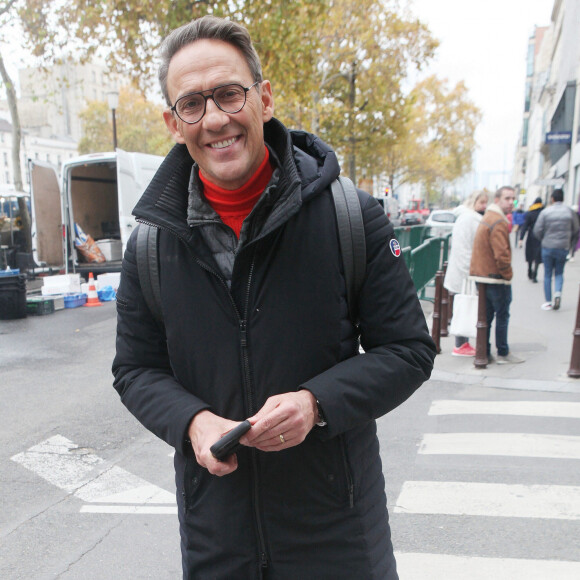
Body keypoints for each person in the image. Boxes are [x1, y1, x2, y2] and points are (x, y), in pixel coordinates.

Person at [112, 16, 436, 580]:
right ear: (172, 121)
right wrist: (192, 423)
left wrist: (316, 404)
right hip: (218, 538)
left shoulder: (349, 217)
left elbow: (408, 349)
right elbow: (136, 370)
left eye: (228, 94)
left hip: (339, 534)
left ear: (262, 98)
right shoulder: (150, 245)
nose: (214, 119)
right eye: (192, 103)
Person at [470, 186, 524, 365]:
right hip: (494, 277)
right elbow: (501, 255)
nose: (511, 202)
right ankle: (503, 352)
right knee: (501, 316)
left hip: (483, 276)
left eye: (513, 199)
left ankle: (484, 351)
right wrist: (508, 275)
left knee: (487, 318)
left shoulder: (489, 217)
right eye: (507, 198)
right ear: (498, 200)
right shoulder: (498, 221)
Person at [444, 190, 488, 356]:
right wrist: (471, 273)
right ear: (473, 201)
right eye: (481, 202)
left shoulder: (467, 217)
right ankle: (461, 345)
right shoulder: (469, 219)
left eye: (485, 203)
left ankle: (462, 344)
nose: (484, 206)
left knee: (463, 306)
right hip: (465, 273)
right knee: (464, 306)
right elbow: (465, 249)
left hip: (463, 271)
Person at [533, 188, 580, 311]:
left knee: (548, 274)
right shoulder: (569, 212)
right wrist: (569, 242)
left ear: (552, 198)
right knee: (559, 272)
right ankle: (557, 293)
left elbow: (537, 230)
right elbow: (576, 229)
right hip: (562, 247)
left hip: (547, 246)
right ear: (563, 198)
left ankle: (548, 301)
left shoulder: (545, 212)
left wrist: (544, 239)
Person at [518, 196, 543, 283]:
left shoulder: (530, 213)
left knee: (530, 254)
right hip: (540, 237)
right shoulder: (543, 212)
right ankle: (535, 274)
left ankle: (529, 269)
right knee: (537, 256)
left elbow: (525, 226)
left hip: (531, 236)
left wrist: (521, 238)